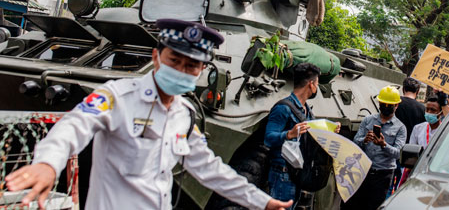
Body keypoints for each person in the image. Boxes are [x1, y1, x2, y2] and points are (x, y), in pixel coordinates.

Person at [5, 19, 291, 210]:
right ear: (156, 57)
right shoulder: (117, 96)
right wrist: (48, 164)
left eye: (191, 65)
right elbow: (75, 125)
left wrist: (259, 201)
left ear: (202, 70)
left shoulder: (184, 113)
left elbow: (209, 169)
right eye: (174, 60)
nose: (181, 70)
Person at [264, 62, 321, 208]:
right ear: (311, 84)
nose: (317, 87)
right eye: (317, 83)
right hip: (282, 174)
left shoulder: (307, 111)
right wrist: (289, 134)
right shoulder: (283, 108)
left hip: (298, 175)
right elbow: (268, 138)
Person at [342, 86, 406, 210]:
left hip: (383, 175)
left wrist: (383, 145)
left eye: (389, 105)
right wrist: (365, 140)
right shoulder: (368, 120)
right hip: (362, 171)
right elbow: (356, 141)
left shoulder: (400, 128)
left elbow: (398, 154)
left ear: (396, 105)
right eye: (383, 104)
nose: (386, 107)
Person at [394, 77, 426, 144]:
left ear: (403, 89)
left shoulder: (394, 102)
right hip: (410, 147)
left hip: (393, 143)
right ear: (418, 91)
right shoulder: (423, 109)